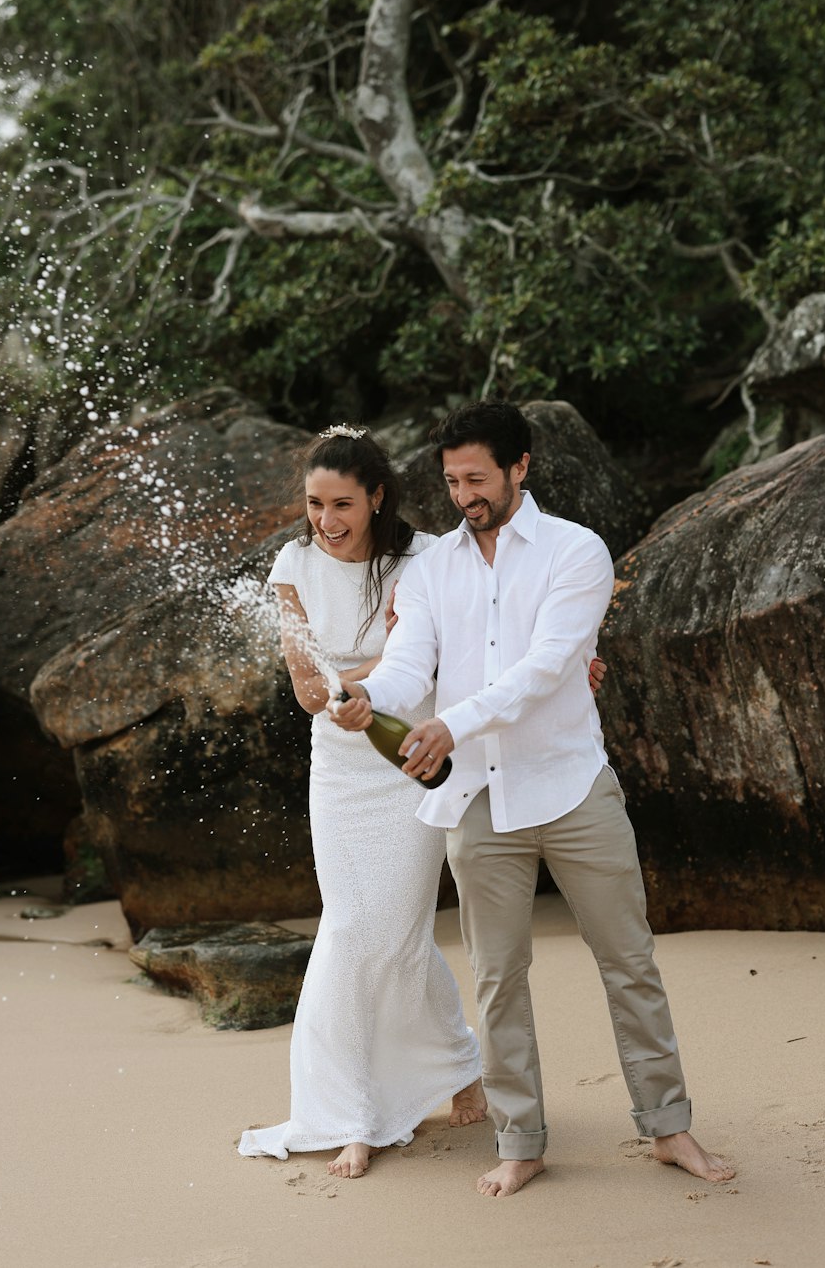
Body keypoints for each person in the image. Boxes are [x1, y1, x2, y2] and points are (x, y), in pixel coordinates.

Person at [332, 400, 735, 1197]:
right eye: (450, 481)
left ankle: (668, 1125)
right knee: (497, 977)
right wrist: (366, 694)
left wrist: (453, 721)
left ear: (521, 466)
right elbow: (411, 664)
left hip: (572, 785)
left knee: (629, 962)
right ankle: (521, 1140)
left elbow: (552, 665)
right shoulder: (431, 568)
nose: (462, 495)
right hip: (477, 803)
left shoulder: (575, 551)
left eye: (477, 477)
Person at [237, 425, 485, 1179]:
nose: (326, 518)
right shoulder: (293, 564)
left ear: (376, 495)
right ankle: (366, 1105)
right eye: (314, 503)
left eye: (341, 502)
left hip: (411, 758)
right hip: (339, 771)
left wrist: (364, 685)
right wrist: (343, 690)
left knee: (394, 932)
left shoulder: (426, 558)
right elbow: (308, 687)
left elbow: (433, 647)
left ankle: (394, 1097)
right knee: (353, 927)